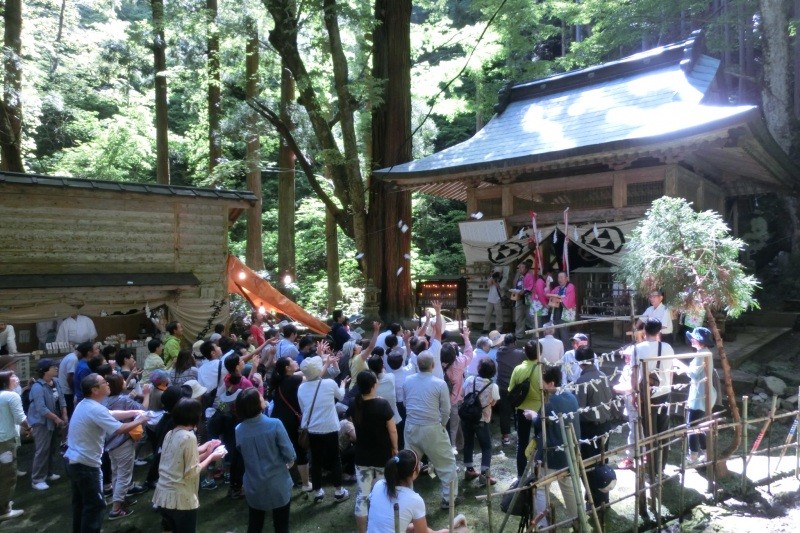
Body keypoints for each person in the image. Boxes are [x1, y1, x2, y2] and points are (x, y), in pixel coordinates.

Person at [65, 373, 149, 533]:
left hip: (74, 460)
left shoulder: (88, 404)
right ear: (94, 389)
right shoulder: (94, 408)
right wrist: (140, 420)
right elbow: (119, 429)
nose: (107, 384)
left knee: (81, 504)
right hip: (85, 464)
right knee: (95, 505)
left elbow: (111, 414)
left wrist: (133, 413)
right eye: (104, 382)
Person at [152, 398, 226, 533]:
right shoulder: (189, 437)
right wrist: (211, 457)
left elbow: (181, 463)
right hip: (180, 500)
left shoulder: (171, 433)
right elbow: (192, 471)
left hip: (163, 496)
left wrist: (208, 451)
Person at [402, 352, 459, 510]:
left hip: (412, 427)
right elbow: (446, 410)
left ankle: (405, 499)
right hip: (431, 427)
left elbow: (406, 403)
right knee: (447, 464)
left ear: (417, 365)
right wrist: (442, 426)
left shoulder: (408, 380)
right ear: (433, 366)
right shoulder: (439, 384)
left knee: (408, 465)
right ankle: (449, 499)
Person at [526, 366, 580, 528]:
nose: (540, 385)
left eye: (542, 382)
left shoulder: (549, 403)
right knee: (569, 487)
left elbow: (540, 425)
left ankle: (542, 525)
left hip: (551, 453)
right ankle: (577, 519)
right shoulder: (572, 397)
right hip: (569, 452)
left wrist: (533, 416)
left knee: (541, 488)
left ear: (550, 383)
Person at [236, 388, 295, 533]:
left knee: (255, 524)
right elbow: (290, 454)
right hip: (278, 484)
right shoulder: (275, 424)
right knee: (282, 526)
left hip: (253, 485)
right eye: (260, 397)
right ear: (257, 404)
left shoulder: (239, 429)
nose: (263, 397)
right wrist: (288, 463)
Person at [366, 449, 466, 533]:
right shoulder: (414, 499)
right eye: (420, 465)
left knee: (412, 527)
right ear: (414, 473)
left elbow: (382, 518)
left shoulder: (379, 485)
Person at [348, 370, 398, 533]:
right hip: (382, 457)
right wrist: (395, 448)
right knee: (383, 495)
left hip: (362, 456)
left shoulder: (354, 403)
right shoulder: (382, 404)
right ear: (374, 385)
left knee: (362, 496)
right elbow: (392, 431)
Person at [631, 317, 682, 474]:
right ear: (659, 331)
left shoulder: (638, 349)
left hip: (646, 394)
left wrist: (634, 393)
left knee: (649, 431)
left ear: (644, 331)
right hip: (665, 392)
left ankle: (652, 467)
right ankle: (661, 466)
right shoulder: (667, 348)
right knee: (663, 430)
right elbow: (671, 372)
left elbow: (634, 374)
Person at [297, 355, 350, 503]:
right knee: (335, 459)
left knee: (316, 460)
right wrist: (343, 385)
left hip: (313, 428)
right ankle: (339, 491)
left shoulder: (301, 387)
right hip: (330, 426)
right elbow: (340, 396)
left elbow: (303, 409)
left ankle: (318, 492)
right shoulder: (329, 383)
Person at [574, 345, 614, 513]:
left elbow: (580, 409)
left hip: (590, 428)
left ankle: (594, 500)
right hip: (606, 424)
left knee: (590, 466)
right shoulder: (603, 375)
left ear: (579, 362)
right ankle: (603, 498)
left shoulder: (582, 381)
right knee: (602, 462)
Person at [103, 374, 148, 520]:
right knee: (124, 475)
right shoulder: (123, 400)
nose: (125, 381)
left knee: (116, 472)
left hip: (109, 443)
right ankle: (116, 509)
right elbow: (142, 409)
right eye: (122, 380)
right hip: (122, 441)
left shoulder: (103, 401)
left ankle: (120, 500)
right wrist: (146, 395)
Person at [269, 356, 311, 491]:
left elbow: (300, 373)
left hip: (277, 420)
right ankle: (305, 483)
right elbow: (312, 377)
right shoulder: (294, 380)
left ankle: (289, 479)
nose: (295, 362)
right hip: (291, 421)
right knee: (299, 450)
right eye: (292, 361)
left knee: (282, 449)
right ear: (287, 368)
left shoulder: (280, 380)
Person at [27, 359, 67, 491]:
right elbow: (41, 408)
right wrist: (57, 419)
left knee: (53, 448)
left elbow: (62, 399)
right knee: (42, 449)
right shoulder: (37, 387)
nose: (56, 368)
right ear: (45, 370)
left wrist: (64, 414)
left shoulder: (56, 382)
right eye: (53, 367)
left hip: (55, 420)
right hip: (42, 422)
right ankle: (37, 479)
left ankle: (49, 473)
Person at [462, 358, 500, 486]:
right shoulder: (493, 386)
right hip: (482, 420)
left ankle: (469, 470)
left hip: (466, 417)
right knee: (486, 446)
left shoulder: (469, 380)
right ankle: (484, 475)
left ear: (478, 369)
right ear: (493, 372)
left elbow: (463, 394)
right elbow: (493, 402)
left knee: (468, 443)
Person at [508, 340, 543, 477]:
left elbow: (511, 389)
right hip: (540, 409)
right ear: (540, 353)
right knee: (541, 440)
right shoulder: (543, 369)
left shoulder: (518, 369)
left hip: (522, 409)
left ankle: (521, 475)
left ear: (525, 352)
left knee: (522, 443)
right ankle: (539, 472)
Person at [684, 327, 717, 464]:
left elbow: (693, 373)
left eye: (694, 338)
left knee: (691, 426)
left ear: (699, 341)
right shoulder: (706, 352)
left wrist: (681, 367)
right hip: (704, 393)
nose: (691, 339)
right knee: (699, 425)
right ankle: (706, 451)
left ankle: (693, 456)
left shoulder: (701, 354)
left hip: (699, 396)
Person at [0, 370, 28, 521]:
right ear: (6, 381)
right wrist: (29, 428)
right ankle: (3, 510)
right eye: (12, 376)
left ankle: (2, 501)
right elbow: (20, 418)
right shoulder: (11, 396)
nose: (16, 378)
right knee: (8, 475)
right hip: (5, 442)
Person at [495, 333, 524, 446]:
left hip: (502, 386)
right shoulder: (520, 353)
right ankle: (519, 436)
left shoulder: (499, 352)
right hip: (515, 387)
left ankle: (505, 437)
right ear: (514, 342)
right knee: (518, 410)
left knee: (504, 412)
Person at [547, 271, 577, 345]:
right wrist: (547, 285)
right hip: (556, 312)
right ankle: (557, 349)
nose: (559, 279)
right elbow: (548, 295)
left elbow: (569, 300)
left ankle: (566, 351)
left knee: (564, 333)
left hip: (565, 313)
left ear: (566, 278)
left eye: (561, 277)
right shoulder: (557, 288)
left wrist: (559, 298)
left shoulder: (570, 286)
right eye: (558, 277)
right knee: (555, 332)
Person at [512, 261, 535, 338]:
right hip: (519, 298)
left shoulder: (529, 275)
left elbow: (531, 287)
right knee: (518, 317)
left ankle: (534, 333)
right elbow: (516, 285)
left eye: (522, 267)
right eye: (519, 268)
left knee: (530, 317)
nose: (520, 269)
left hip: (528, 298)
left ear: (526, 269)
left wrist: (524, 291)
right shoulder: (519, 276)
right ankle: (519, 334)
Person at [59, 346, 80, 417]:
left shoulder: (70, 356)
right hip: (67, 391)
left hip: (65, 389)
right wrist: (74, 391)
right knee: (70, 414)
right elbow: (70, 377)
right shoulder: (73, 359)